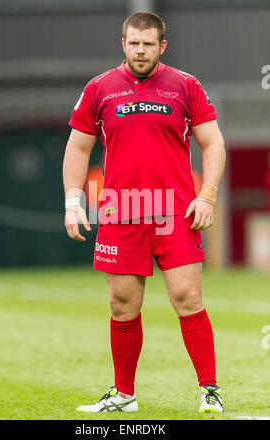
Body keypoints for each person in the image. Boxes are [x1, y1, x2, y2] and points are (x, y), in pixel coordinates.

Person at [63, 11, 226, 414]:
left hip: (174, 211)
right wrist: (72, 201)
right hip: (120, 211)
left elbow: (214, 143)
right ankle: (124, 395)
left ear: (161, 47)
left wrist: (206, 194)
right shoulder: (99, 88)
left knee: (187, 297)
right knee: (121, 303)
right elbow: (78, 147)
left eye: (148, 44)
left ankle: (210, 391)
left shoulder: (186, 86)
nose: (140, 50)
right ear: (123, 43)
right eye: (134, 43)